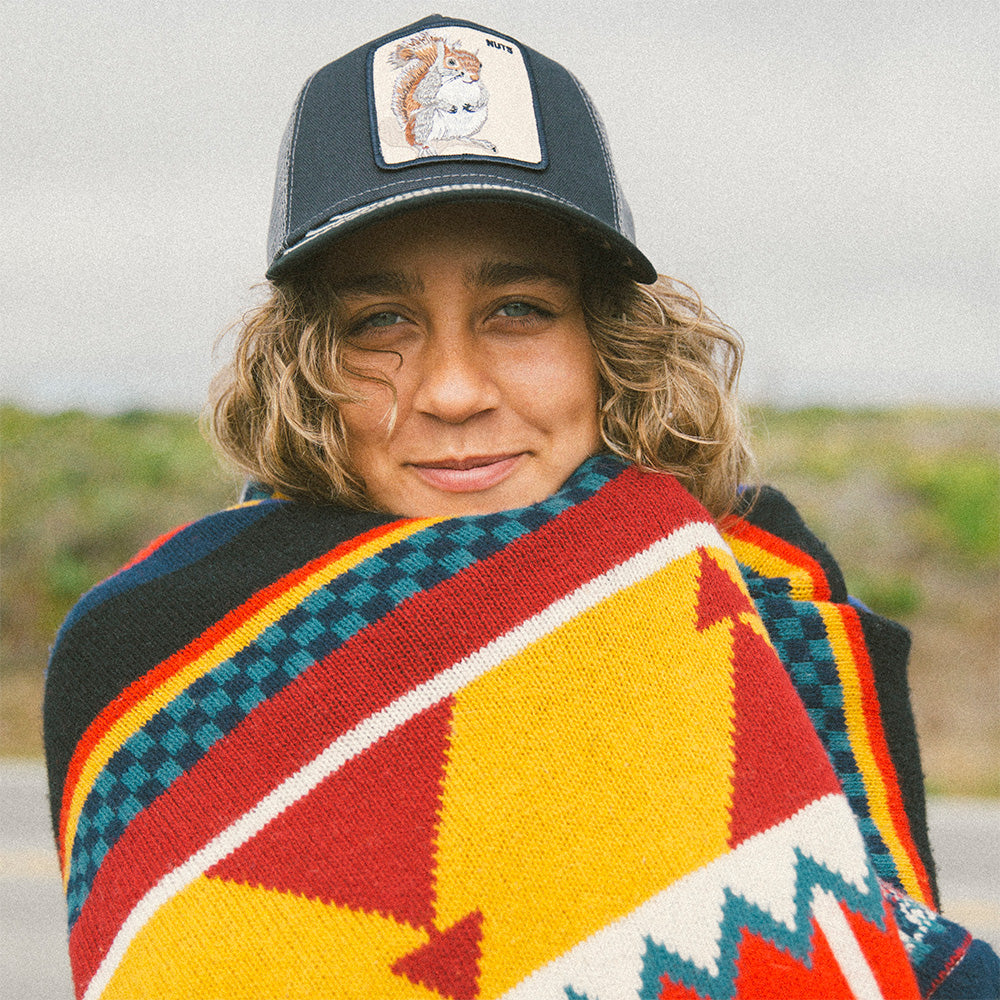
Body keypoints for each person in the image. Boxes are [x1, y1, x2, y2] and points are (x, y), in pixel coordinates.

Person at [44, 15, 997, 1000]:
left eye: (517, 312)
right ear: (304, 362)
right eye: (381, 322)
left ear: (607, 343)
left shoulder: (757, 607)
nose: (454, 390)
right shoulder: (160, 673)